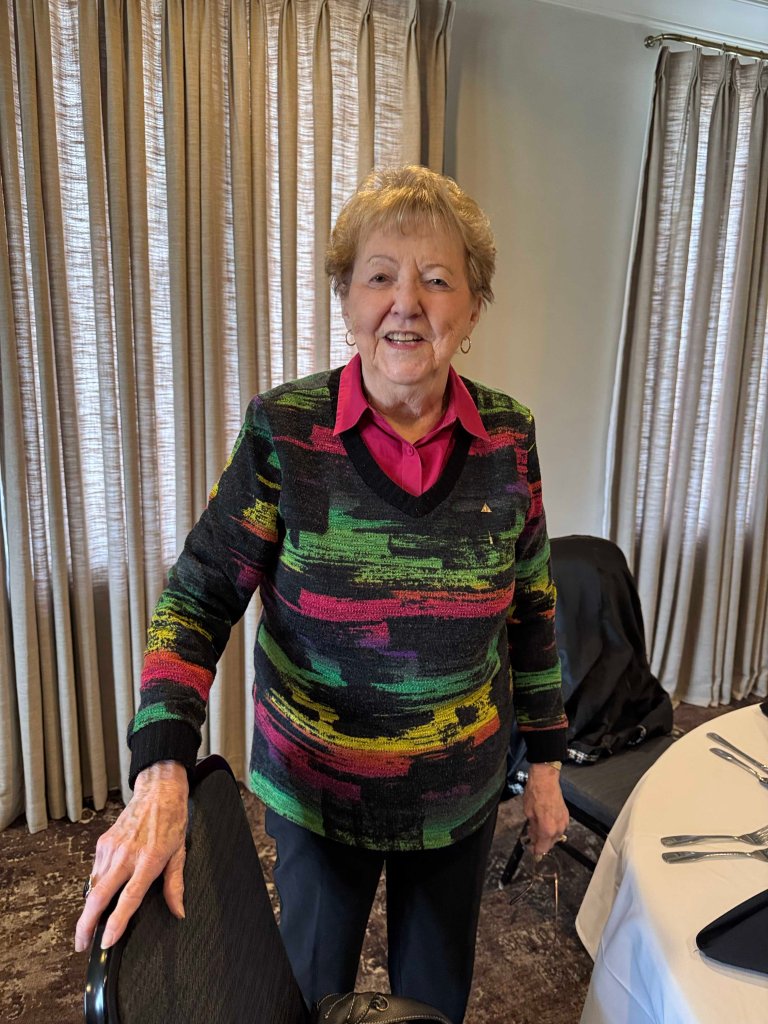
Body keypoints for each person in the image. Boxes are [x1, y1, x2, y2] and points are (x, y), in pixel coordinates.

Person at [75, 165, 569, 1024]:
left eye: (437, 279)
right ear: (346, 298)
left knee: (433, 1005)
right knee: (304, 995)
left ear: (474, 308)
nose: (405, 303)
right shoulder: (285, 431)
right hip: (316, 790)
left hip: (458, 794)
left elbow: (533, 608)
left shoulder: (510, 437)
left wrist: (549, 762)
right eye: (379, 276)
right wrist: (161, 765)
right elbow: (198, 595)